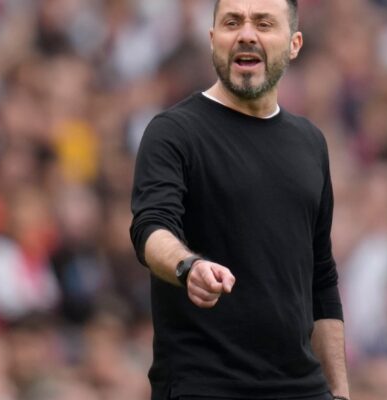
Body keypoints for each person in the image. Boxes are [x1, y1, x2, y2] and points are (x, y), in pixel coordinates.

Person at [129, 0, 349, 399]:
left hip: (302, 388)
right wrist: (188, 267)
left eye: (264, 23)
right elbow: (150, 229)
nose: (246, 34)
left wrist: (339, 390)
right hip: (206, 385)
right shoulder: (173, 132)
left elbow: (321, 277)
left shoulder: (310, 143)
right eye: (233, 22)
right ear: (214, 39)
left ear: (294, 44)